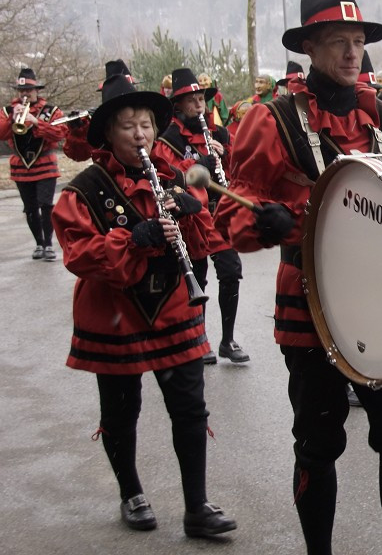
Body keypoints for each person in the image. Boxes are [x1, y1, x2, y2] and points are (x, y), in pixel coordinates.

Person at [214, 0, 382, 555]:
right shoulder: (272, 119)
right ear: (309, 47)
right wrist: (266, 221)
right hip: (308, 303)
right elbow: (233, 217)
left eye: (359, 39)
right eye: (339, 39)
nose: (353, 51)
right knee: (317, 444)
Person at [51, 70, 236, 538]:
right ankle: (130, 491)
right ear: (108, 133)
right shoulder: (85, 190)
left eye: (147, 125)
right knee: (120, 411)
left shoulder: (172, 176)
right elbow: (79, 254)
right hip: (115, 317)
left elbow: (204, 244)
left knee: (191, 408)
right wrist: (135, 238)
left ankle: (197, 505)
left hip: (174, 306)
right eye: (128, 125)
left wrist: (192, 218)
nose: (140, 134)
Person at [154, 67, 249, 365]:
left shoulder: (217, 132)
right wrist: (198, 166)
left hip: (219, 214)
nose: (199, 105)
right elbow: (166, 176)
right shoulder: (168, 138)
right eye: (192, 100)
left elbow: (237, 173)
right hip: (191, 217)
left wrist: (225, 154)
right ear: (178, 105)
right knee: (198, 278)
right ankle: (200, 339)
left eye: (201, 99)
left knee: (231, 271)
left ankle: (228, 340)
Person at [0, 68, 66, 260]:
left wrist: (35, 122)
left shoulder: (51, 111)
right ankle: (38, 243)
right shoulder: (7, 111)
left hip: (45, 163)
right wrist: (13, 118)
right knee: (29, 208)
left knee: (46, 204)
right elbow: (1, 134)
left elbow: (60, 133)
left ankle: (48, 244)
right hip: (20, 166)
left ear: (37, 91)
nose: (25, 94)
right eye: (21, 91)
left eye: (28, 90)